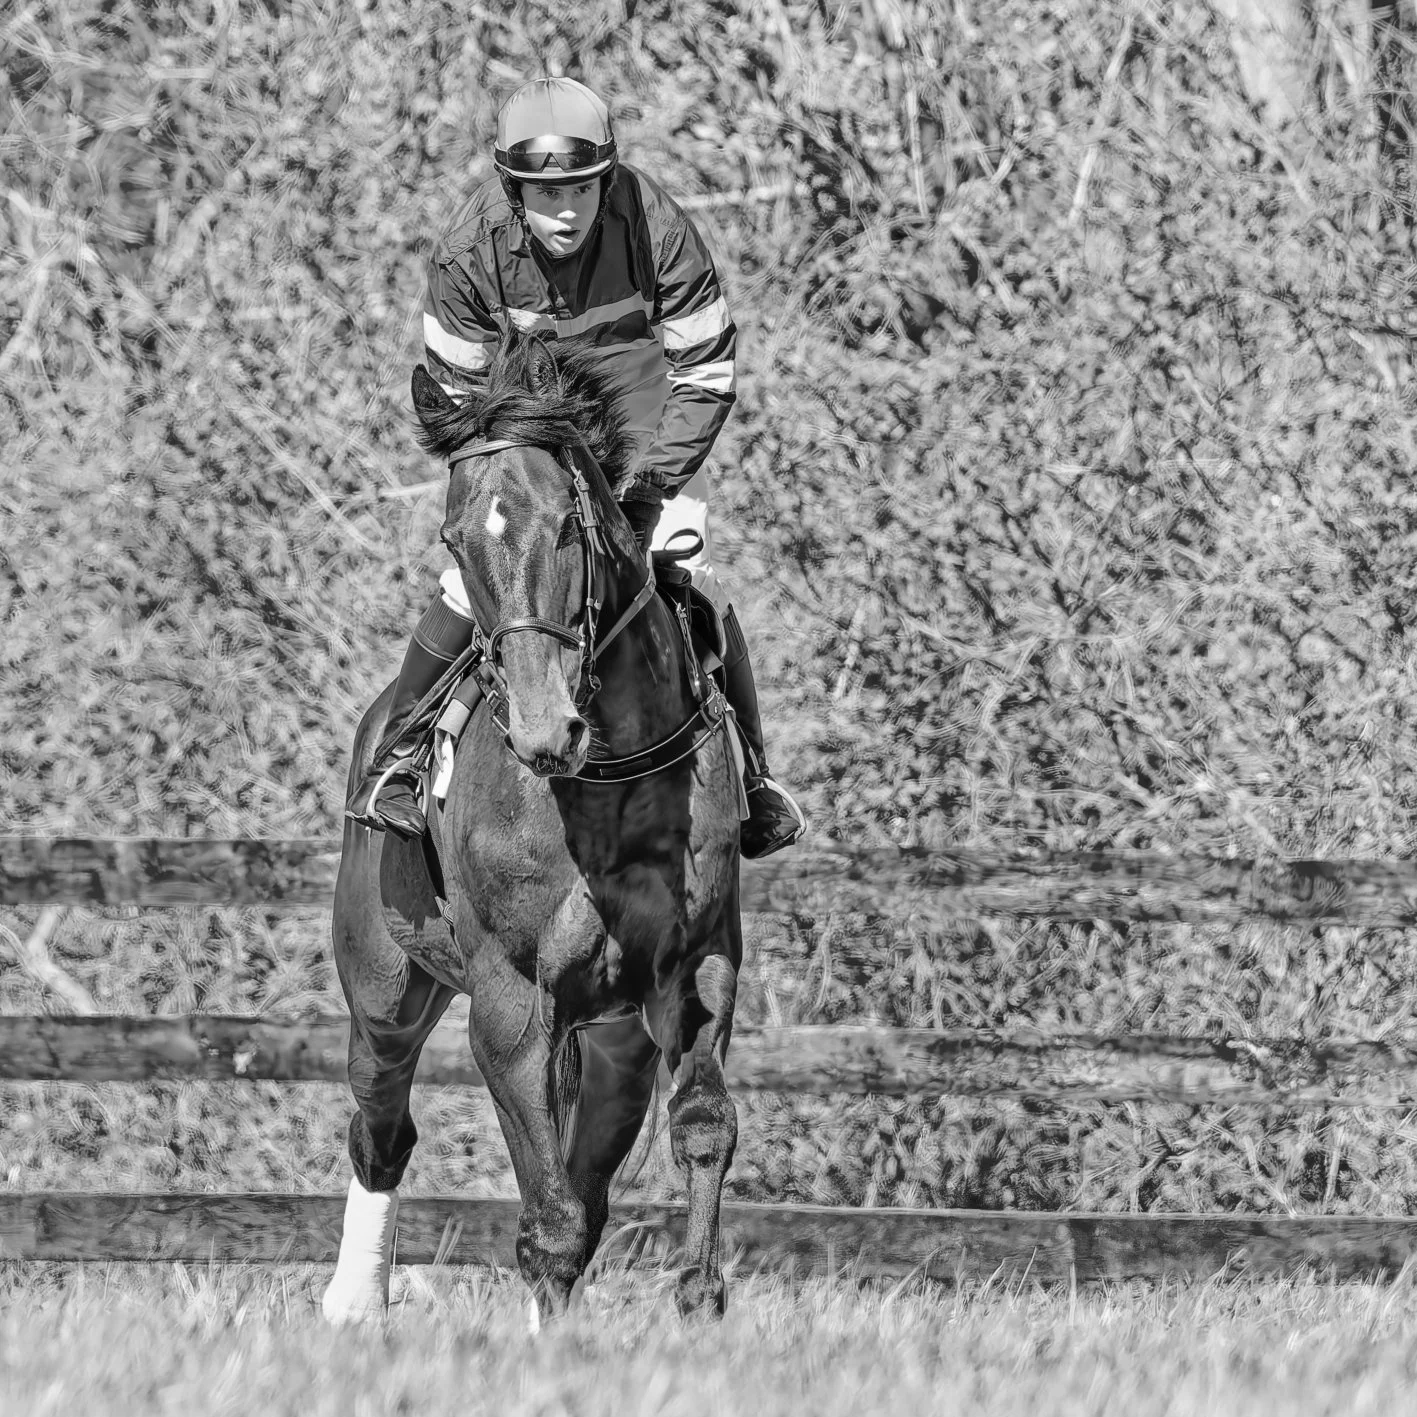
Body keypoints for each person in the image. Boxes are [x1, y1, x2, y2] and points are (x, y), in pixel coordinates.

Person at [346, 76, 805, 859]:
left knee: (692, 571)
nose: (565, 211)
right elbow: (461, 407)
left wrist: (651, 484)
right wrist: (509, 488)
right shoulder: (468, 251)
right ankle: (401, 755)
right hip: (529, 434)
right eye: (544, 193)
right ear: (511, 187)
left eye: (582, 190)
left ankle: (755, 782)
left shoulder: (655, 222)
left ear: (608, 177)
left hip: (642, 423)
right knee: (471, 582)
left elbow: (708, 375)